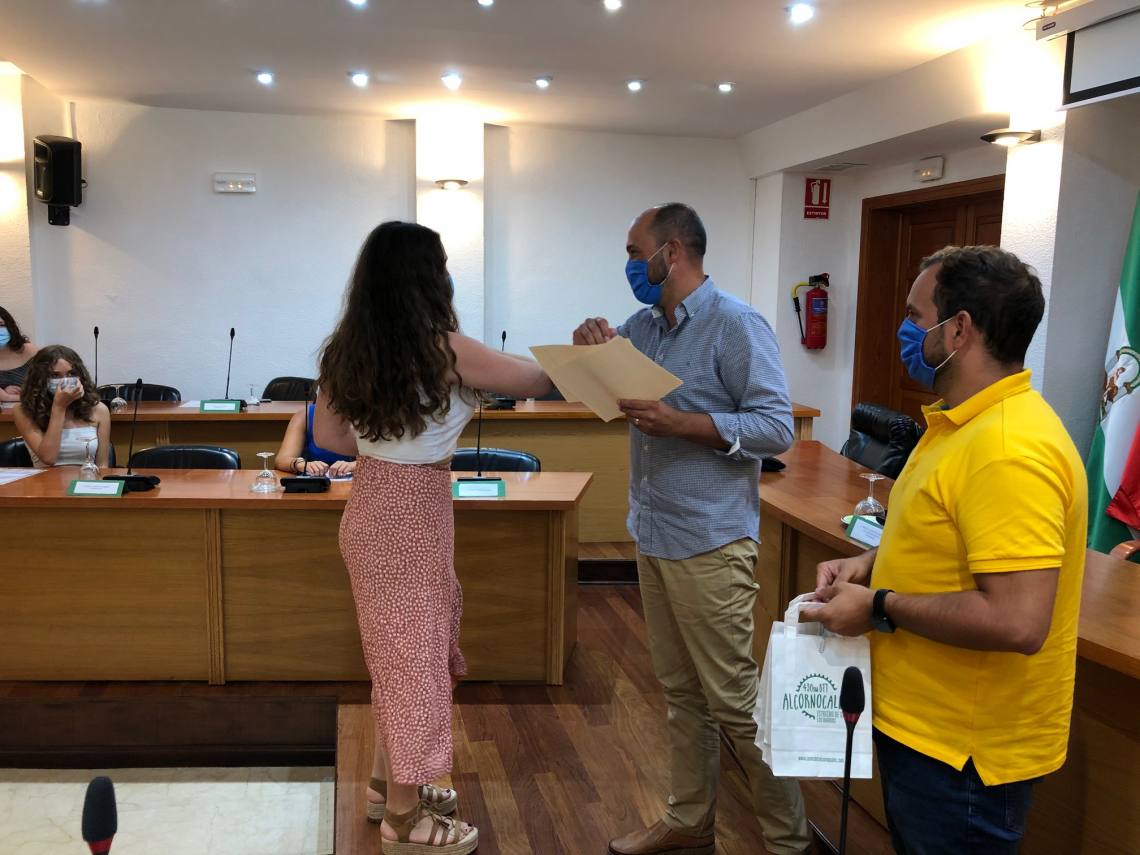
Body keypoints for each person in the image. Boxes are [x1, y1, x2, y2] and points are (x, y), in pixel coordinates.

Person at [809, 245, 1087, 854]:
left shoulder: (1009, 448)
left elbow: (1017, 620)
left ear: (959, 329)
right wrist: (869, 564)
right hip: (926, 731)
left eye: (916, 316)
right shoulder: (958, 424)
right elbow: (942, 539)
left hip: (964, 756)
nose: (905, 330)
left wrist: (877, 605)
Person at [575, 203, 811, 855]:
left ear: (672, 252)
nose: (629, 264)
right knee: (681, 694)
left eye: (635, 251)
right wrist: (590, 356)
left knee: (733, 699)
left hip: (711, 539)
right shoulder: (642, 327)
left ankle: (788, 841)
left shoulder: (736, 324)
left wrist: (685, 423)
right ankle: (690, 821)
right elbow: (610, 399)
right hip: (654, 531)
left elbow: (776, 428)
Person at [312, 221, 552, 854]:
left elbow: (331, 439)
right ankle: (403, 820)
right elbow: (535, 381)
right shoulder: (443, 349)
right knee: (414, 663)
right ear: (427, 276)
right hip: (413, 511)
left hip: (372, 505)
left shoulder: (346, 349)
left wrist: (389, 436)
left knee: (400, 656)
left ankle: (383, 786)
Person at [13, 345, 111, 469]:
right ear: (39, 379)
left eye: (71, 374)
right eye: (55, 376)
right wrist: (59, 407)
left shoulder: (99, 410)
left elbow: (103, 465)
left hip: (85, 478)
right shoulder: (23, 410)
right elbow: (48, 458)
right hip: (44, 479)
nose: (65, 381)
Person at [275, 400, 356, 477]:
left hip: (352, 480)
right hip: (314, 479)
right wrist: (300, 464)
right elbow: (281, 460)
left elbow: (364, 459)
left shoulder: (360, 415)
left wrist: (354, 465)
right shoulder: (305, 415)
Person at [0, 306, 39, 403]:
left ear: (10, 326)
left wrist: (8, 397)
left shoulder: (31, 352)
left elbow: (49, 390)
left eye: (0, 325)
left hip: (33, 410)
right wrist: (5, 394)